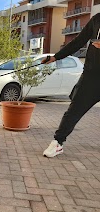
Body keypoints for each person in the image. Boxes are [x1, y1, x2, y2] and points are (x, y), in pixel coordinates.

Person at [42, 13, 100, 158]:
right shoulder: (97, 19)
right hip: (91, 77)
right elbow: (78, 41)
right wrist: (56, 56)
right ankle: (57, 143)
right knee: (73, 111)